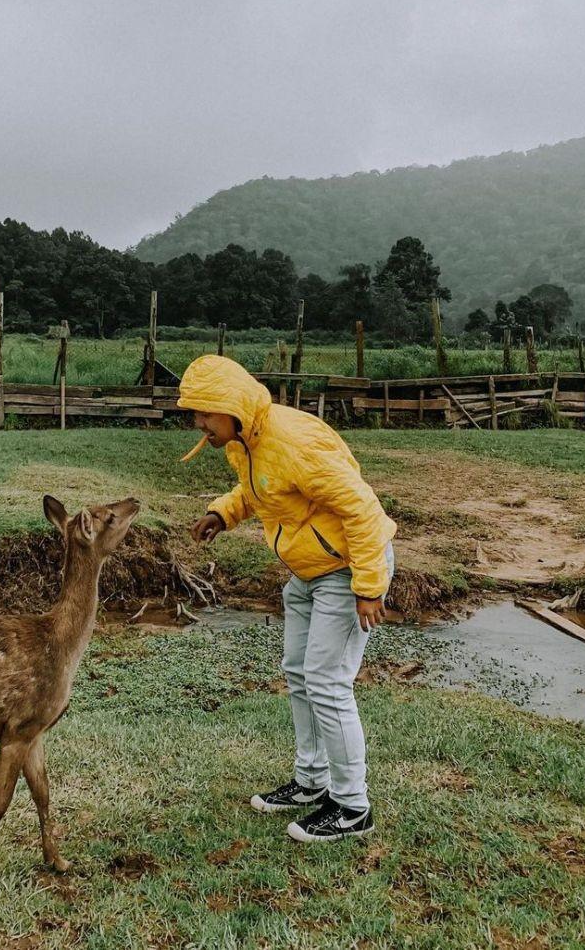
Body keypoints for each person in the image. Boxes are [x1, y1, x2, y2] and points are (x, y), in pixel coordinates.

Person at [177, 354, 396, 842]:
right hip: (308, 573)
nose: (198, 424)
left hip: (345, 569)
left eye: (203, 413)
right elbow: (261, 488)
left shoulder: (294, 442)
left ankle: (353, 806)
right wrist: (224, 513)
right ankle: (311, 781)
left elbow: (361, 508)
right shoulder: (247, 440)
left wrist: (368, 587)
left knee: (327, 681)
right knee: (299, 673)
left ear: (230, 406)